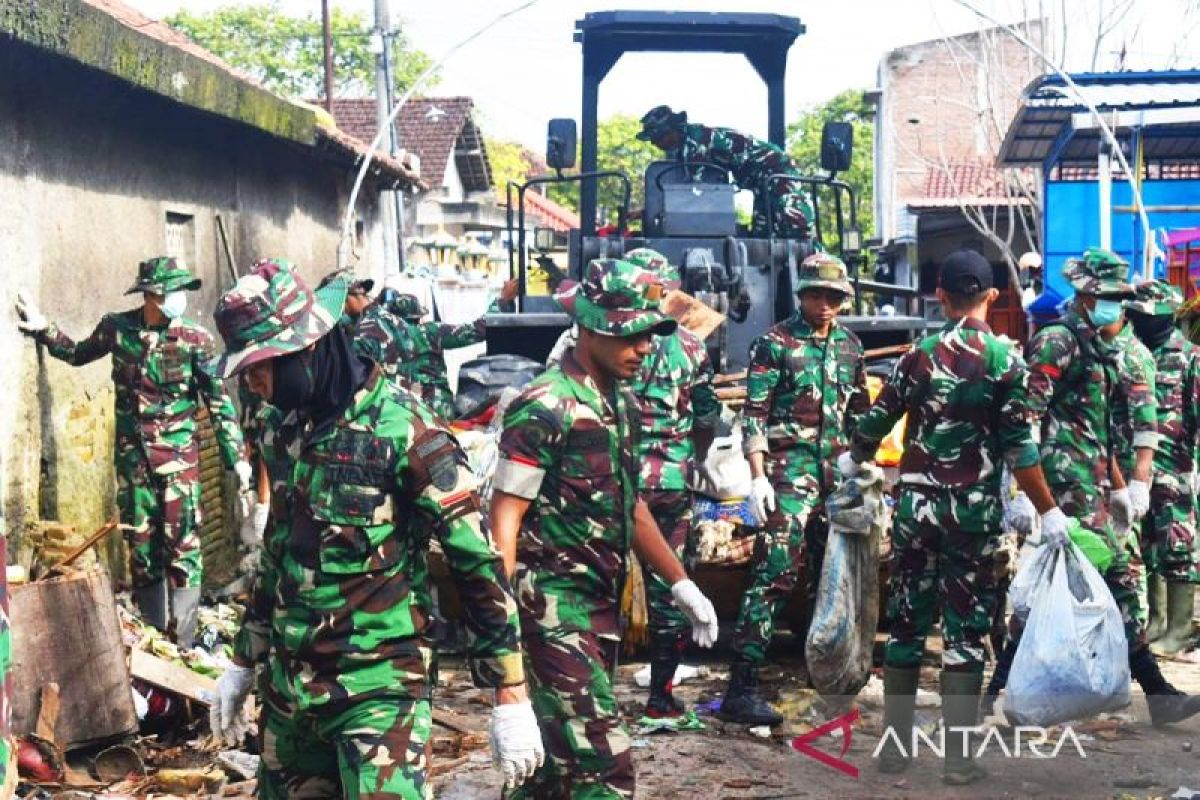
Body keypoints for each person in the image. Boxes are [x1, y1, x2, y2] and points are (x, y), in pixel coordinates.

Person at [205, 259, 543, 798]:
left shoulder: (405, 428)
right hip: (292, 698)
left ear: (308, 345)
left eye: (261, 366)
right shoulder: (280, 428)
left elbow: (475, 559)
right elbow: (278, 558)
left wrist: (510, 691)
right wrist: (245, 659)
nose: (253, 382)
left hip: (378, 694)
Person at [489, 257, 720, 799]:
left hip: (597, 605)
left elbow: (631, 504)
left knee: (548, 774)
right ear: (590, 330)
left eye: (650, 336)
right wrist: (506, 671)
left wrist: (680, 582)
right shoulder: (544, 407)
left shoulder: (620, 402)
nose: (644, 349)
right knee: (605, 769)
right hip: (548, 611)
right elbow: (502, 526)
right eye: (632, 337)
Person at [841, 249, 1067, 784]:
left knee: (907, 626)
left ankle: (895, 750)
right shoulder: (1007, 362)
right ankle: (958, 761)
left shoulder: (915, 355)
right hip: (972, 517)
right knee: (964, 634)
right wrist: (1048, 510)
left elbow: (875, 423)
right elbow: (1020, 447)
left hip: (917, 511)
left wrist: (853, 458)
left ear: (939, 295)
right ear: (992, 296)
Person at [15, 257, 249, 647]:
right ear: (153, 295)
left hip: (179, 469)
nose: (181, 299)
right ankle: (158, 641)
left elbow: (219, 404)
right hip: (134, 465)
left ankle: (186, 644)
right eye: (174, 291)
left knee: (183, 550)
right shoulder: (117, 329)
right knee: (142, 550)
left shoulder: (196, 340)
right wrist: (45, 329)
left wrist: (236, 458)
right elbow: (77, 353)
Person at [1021, 248, 1200, 726]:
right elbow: (1025, 424)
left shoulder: (1103, 346)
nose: (1116, 307)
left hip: (1096, 486)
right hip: (1061, 487)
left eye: (1120, 299)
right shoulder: (1056, 342)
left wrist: (1124, 487)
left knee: (1108, 583)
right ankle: (1003, 688)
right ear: (1083, 294)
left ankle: (1156, 693)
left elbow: (1103, 430)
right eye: (1107, 297)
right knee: (1066, 587)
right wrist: (1028, 497)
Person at [719, 253, 870, 726]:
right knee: (775, 573)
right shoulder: (774, 344)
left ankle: (828, 673)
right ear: (801, 295)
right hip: (788, 475)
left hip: (836, 476)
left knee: (836, 574)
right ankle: (741, 686)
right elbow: (755, 415)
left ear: (844, 301)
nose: (823, 304)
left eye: (832, 296)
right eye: (814, 294)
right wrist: (759, 476)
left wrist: (864, 467)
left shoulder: (850, 347)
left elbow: (861, 414)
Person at [620, 248, 721, 719]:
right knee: (670, 588)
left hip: (615, 479)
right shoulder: (692, 345)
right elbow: (707, 414)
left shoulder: (609, 340)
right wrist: (698, 457)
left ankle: (591, 690)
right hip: (672, 480)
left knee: (599, 581)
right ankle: (660, 696)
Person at [1127, 280, 1200, 656]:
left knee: (1178, 546)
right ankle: (1156, 621)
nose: (1142, 322)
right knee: (1147, 547)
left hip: (1176, 468)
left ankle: (1181, 626)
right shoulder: (1133, 354)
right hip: (1140, 472)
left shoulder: (1189, 357)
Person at [638, 105, 814, 239]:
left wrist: (656, 211)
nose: (654, 143)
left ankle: (813, 257)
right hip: (758, 181)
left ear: (669, 133)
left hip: (775, 170)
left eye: (656, 137)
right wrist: (649, 210)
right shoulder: (685, 145)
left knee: (792, 221)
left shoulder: (695, 144)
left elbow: (693, 193)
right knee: (765, 231)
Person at [363, 281, 519, 419]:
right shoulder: (428, 333)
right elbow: (477, 330)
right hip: (436, 412)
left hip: (399, 413)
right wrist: (503, 300)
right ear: (417, 317)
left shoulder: (378, 340)